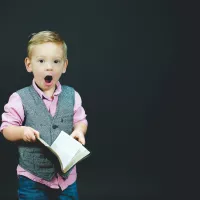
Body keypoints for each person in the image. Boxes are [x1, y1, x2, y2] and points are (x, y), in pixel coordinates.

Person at [0, 30, 88, 200]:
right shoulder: (20, 98)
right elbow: (6, 128)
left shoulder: (72, 95)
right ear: (29, 64)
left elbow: (80, 120)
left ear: (64, 66)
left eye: (56, 61)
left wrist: (79, 130)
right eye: (41, 61)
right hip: (33, 178)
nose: (49, 67)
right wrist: (21, 131)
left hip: (66, 179)